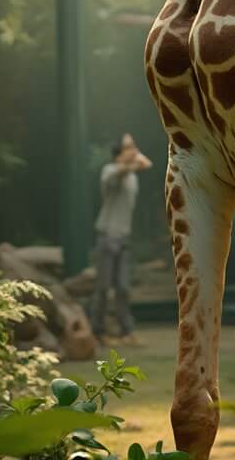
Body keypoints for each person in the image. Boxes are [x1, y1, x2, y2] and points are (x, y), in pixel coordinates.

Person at [90, 133, 152, 345]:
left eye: (134, 146)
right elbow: (118, 174)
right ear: (118, 153)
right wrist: (135, 163)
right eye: (129, 147)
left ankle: (126, 331)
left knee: (123, 288)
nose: (134, 150)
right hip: (107, 236)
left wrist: (136, 161)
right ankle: (97, 333)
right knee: (102, 288)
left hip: (124, 238)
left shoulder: (133, 177)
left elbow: (142, 165)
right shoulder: (109, 170)